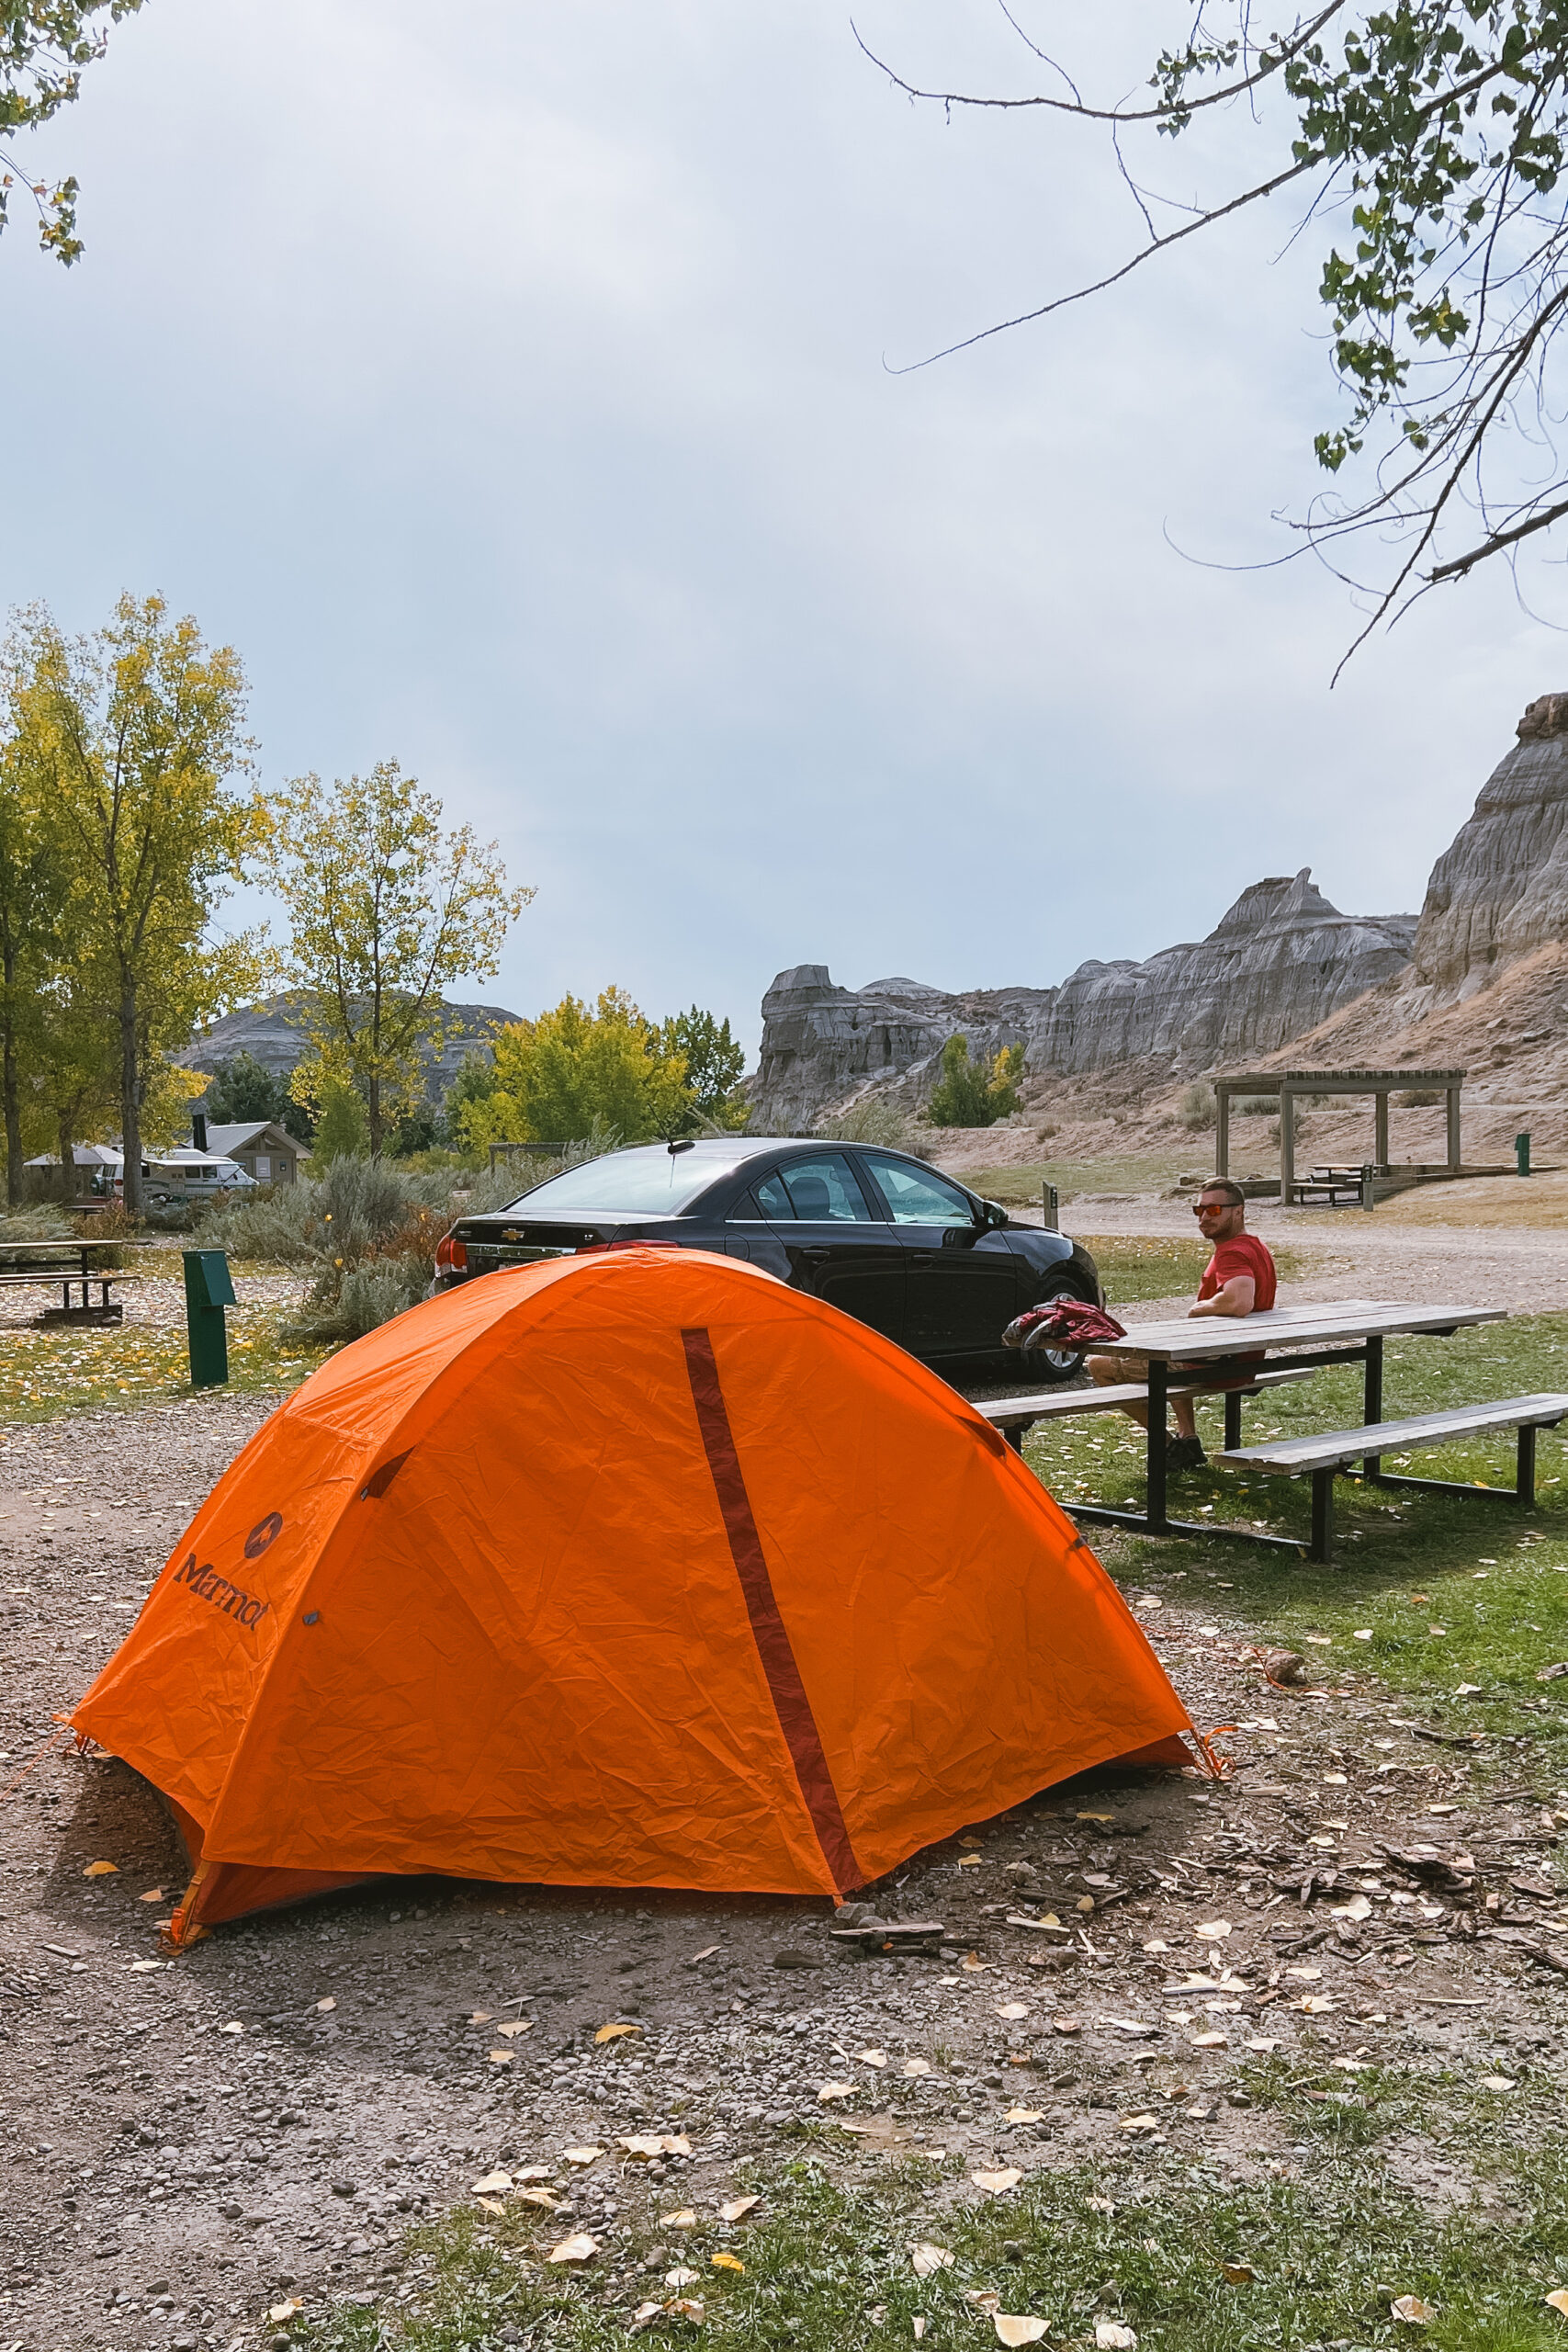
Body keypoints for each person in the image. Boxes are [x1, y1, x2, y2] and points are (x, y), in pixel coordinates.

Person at [1085, 1178, 1278, 1473]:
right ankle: (1187, 1436)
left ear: (1238, 1211)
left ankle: (1167, 1446)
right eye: (1198, 1210)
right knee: (1172, 1351)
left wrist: (1198, 1308)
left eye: (1214, 1210)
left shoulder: (1232, 1251)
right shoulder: (1256, 1247)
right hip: (1239, 1361)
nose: (1203, 1218)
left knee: (1098, 1364)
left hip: (1218, 1368)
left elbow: (1240, 1301)